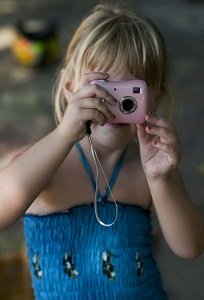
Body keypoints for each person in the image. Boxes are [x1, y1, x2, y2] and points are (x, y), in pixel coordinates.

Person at [0, 3, 203, 300]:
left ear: (155, 98)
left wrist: (161, 179)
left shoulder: (149, 171)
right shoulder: (47, 164)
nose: (112, 106)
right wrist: (62, 136)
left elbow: (191, 246)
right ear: (70, 89)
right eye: (102, 89)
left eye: (129, 94)